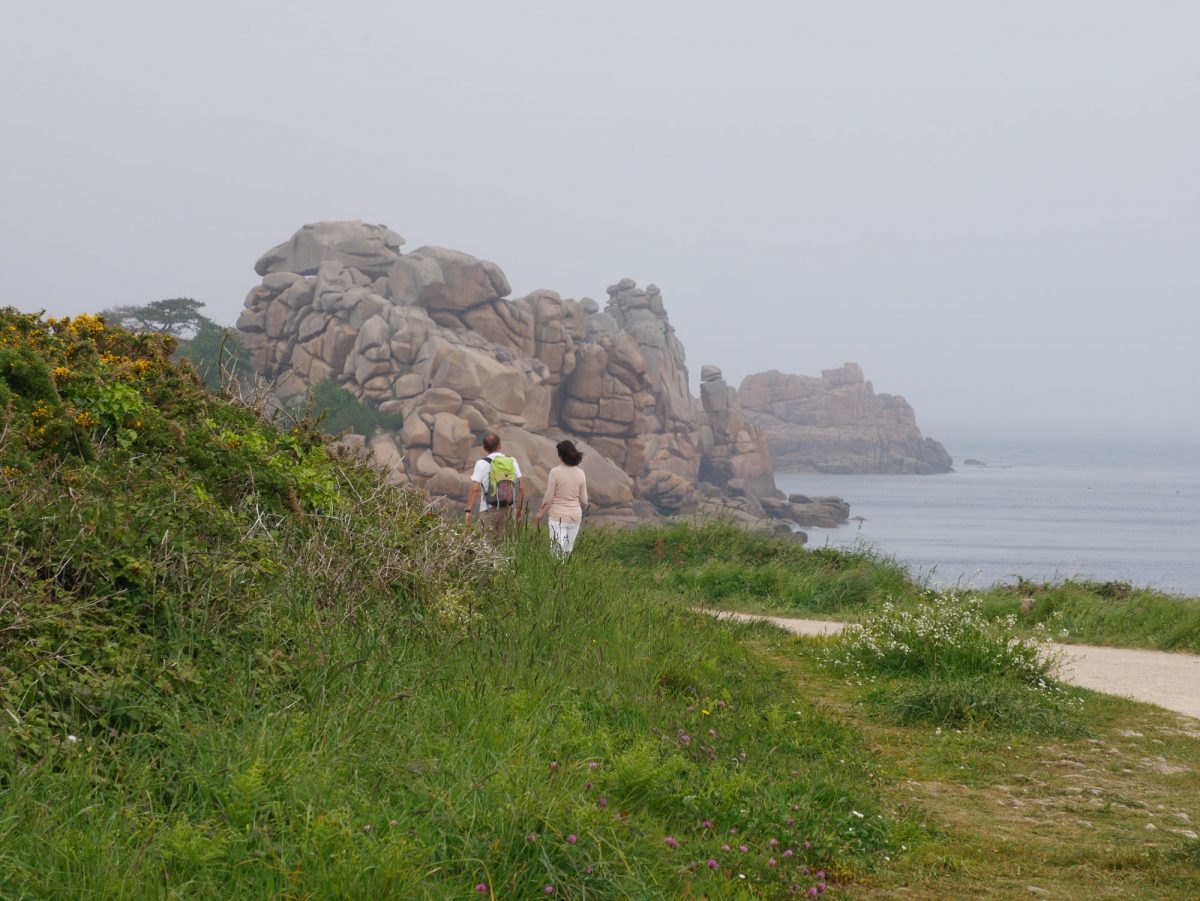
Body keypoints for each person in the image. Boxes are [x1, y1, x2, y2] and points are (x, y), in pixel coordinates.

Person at [534, 439, 588, 558]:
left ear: (560, 455)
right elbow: (584, 500)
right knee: (567, 552)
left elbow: (549, 497)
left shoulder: (555, 472)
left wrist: (540, 513)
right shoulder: (581, 473)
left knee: (556, 554)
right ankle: (566, 575)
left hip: (557, 516)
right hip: (575, 516)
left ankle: (557, 576)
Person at [464, 432, 523, 536]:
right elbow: (521, 487)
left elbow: (474, 489)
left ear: (484, 448)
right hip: (508, 509)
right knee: (506, 545)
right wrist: (519, 510)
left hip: (488, 509)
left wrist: (468, 510)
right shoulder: (512, 461)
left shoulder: (481, 463)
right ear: (500, 445)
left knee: (484, 545)